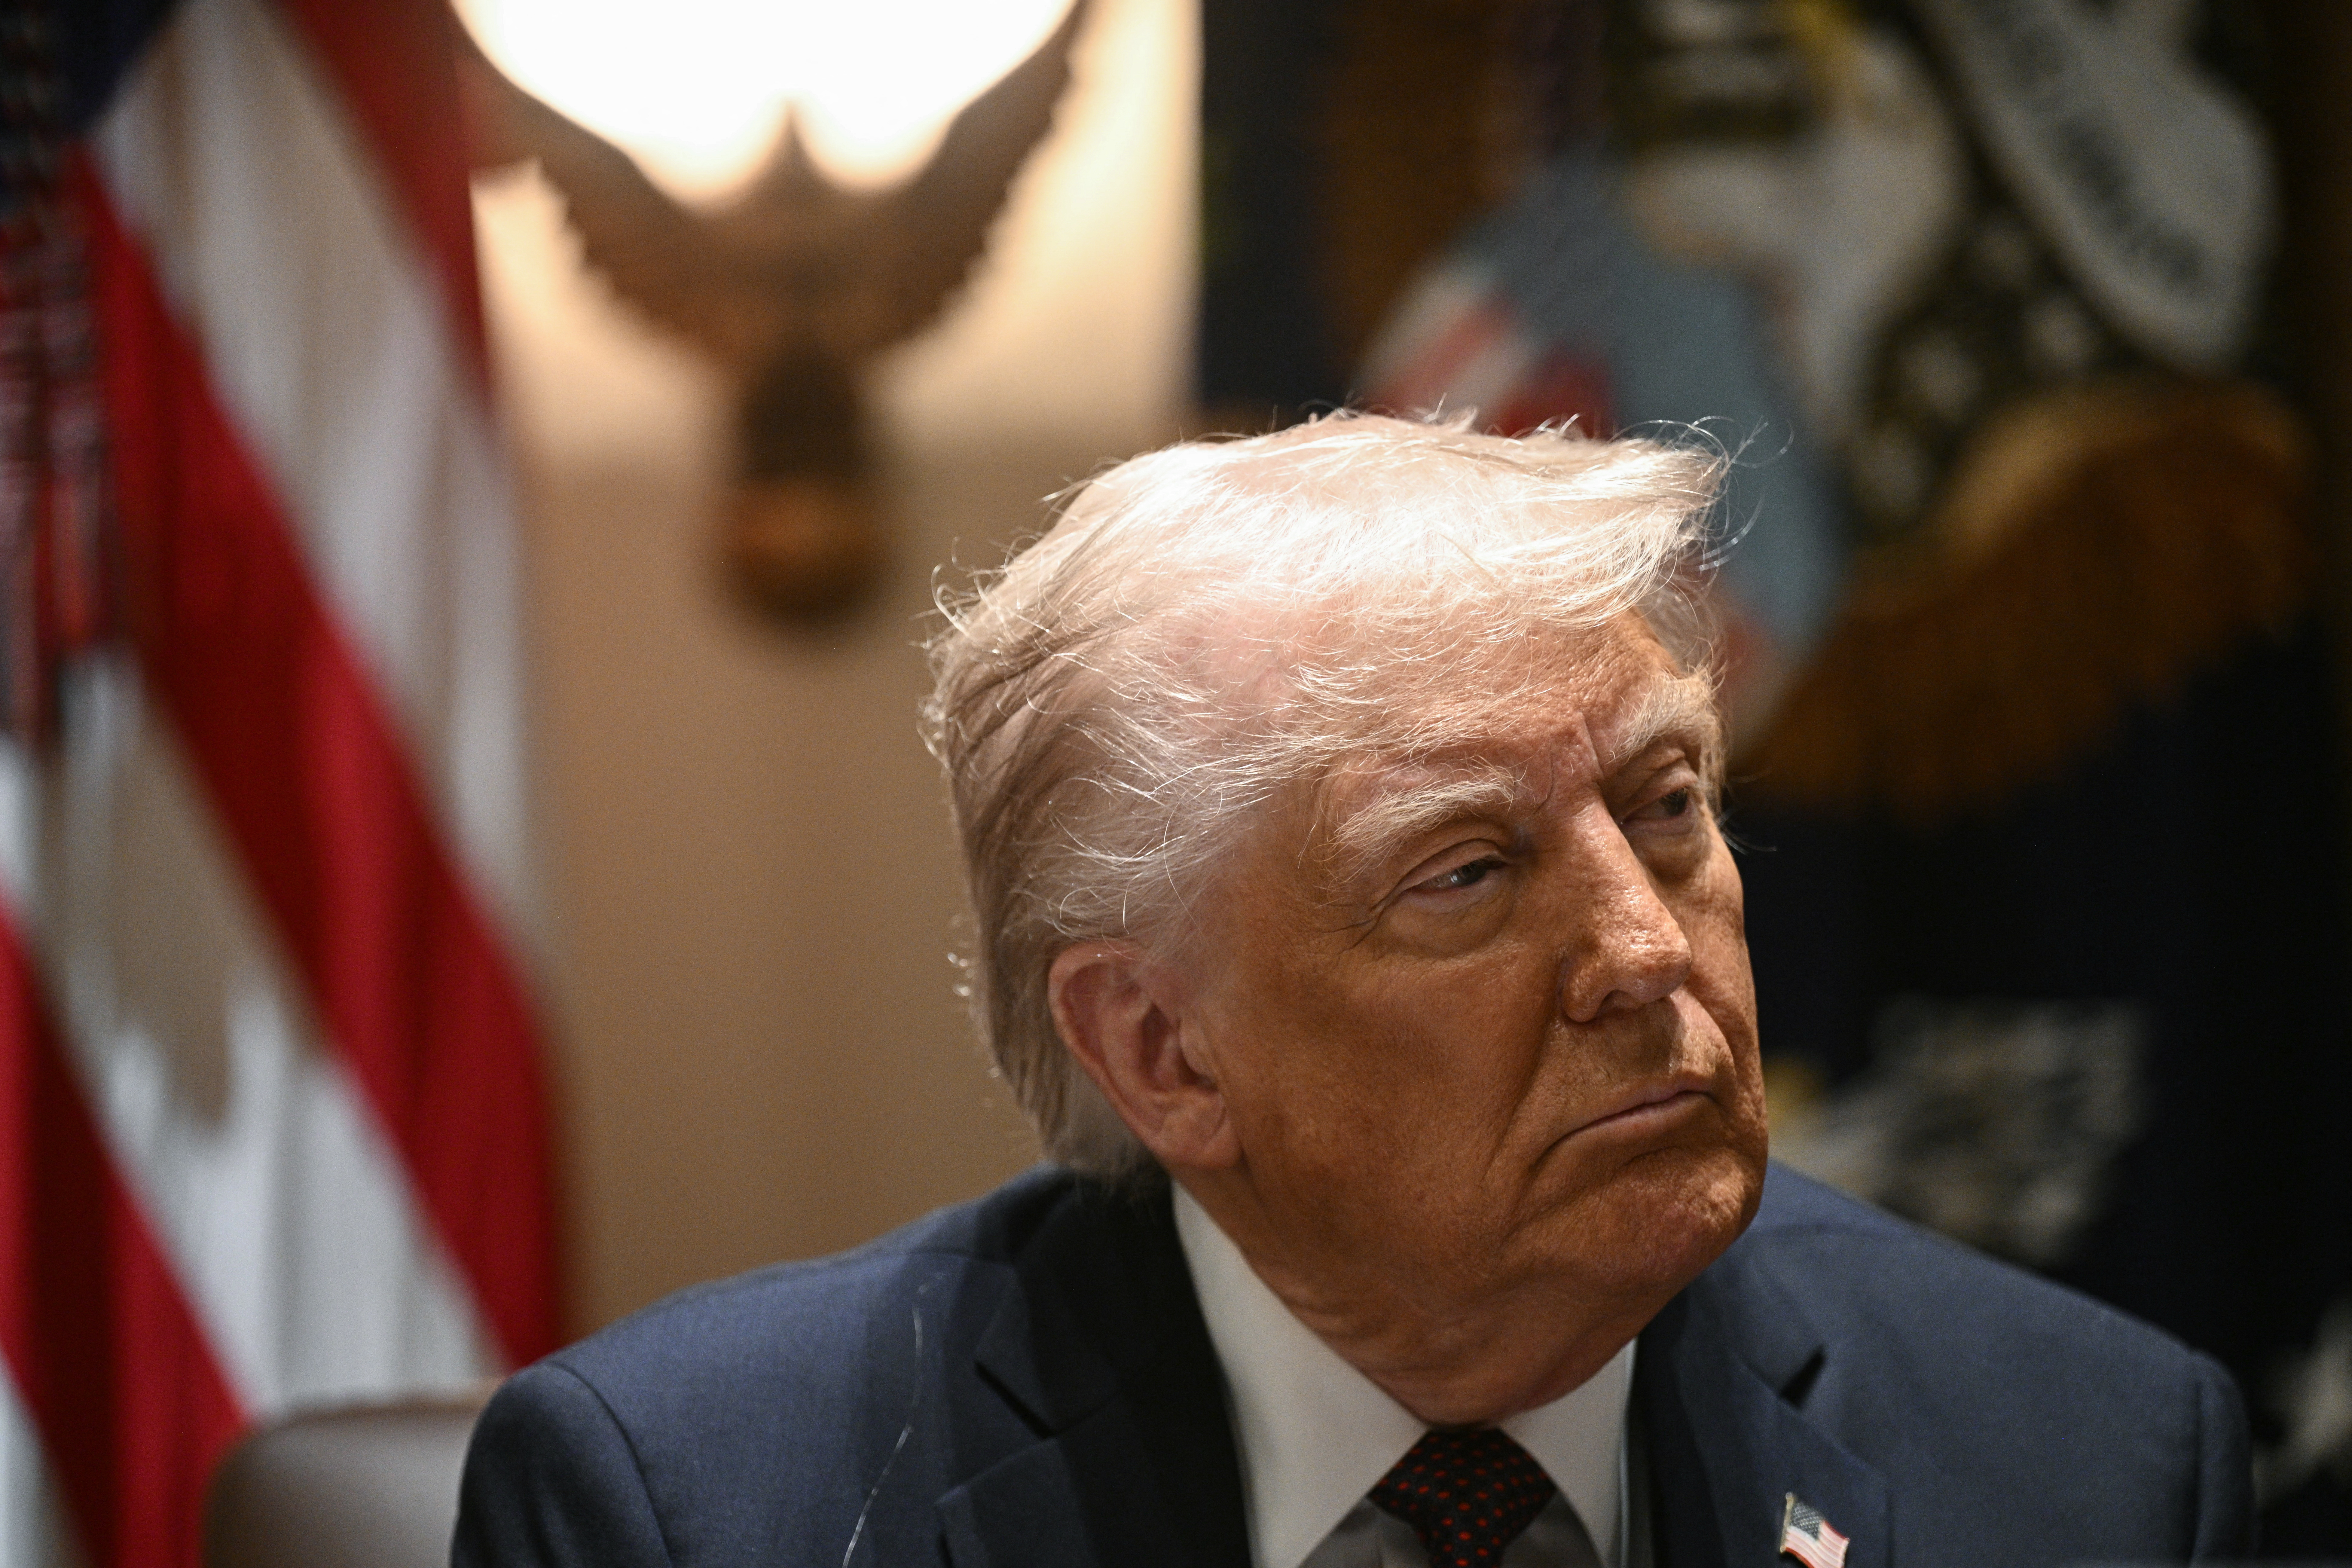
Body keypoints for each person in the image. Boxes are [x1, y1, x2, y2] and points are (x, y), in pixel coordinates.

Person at [454, 415, 2250, 1567]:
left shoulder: (2090, 1471)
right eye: (1464, 871)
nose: (1646, 947)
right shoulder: (691, 1509)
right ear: (1161, 1048)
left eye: (1666, 807)